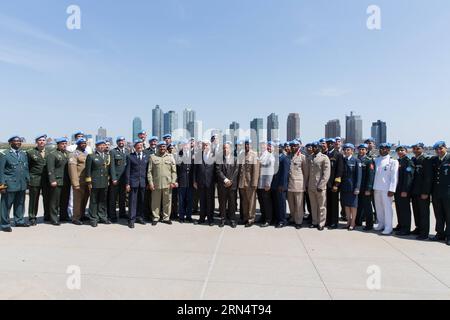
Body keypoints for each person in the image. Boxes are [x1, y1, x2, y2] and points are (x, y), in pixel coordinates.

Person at [0, 136, 30, 232]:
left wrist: (28, 181)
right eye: (15, 141)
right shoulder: (4, 154)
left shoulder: (23, 154)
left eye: (19, 141)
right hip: (9, 185)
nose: (17, 142)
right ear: (10, 143)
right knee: (6, 205)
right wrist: (2, 185)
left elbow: (26, 169)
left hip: (21, 184)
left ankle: (19, 221)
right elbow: (1, 171)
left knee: (20, 204)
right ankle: (5, 224)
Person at [148, 142, 178, 226]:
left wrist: (173, 182)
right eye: (160, 146)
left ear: (166, 147)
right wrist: (150, 183)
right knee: (155, 202)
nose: (162, 148)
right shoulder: (153, 157)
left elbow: (174, 171)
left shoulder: (170, 157)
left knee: (167, 202)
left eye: (164, 146)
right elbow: (149, 172)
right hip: (156, 184)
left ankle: (166, 218)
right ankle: (155, 217)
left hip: (168, 184)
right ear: (158, 147)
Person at [373, 143, 399, 235]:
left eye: (385, 148)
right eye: (381, 148)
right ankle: (381, 224)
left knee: (387, 208)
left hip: (387, 189)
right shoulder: (376, 160)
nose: (383, 150)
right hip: (376, 187)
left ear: (388, 150)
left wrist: (392, 189)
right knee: (378, 207)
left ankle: (388, 227)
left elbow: (394, 177)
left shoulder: (393, 161)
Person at [85, 140, 111, 228]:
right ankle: (93, 218)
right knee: (94, 201)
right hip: (95, 182)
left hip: (104, 181)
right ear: (96, 146)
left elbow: (107, 170)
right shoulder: (91, 156)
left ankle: (102, 217)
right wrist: (89, 182)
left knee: (102, 200)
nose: (102, 147)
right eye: (100, 145)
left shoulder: (107, 156)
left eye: (104, 145)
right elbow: (88, 171)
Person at [306, 142, 331, 231]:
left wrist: (322, 185)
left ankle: (321, 223)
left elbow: (326, 173)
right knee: (313, 205)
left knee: (321, 206)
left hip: (320, 186)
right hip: (311, 186)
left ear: (319, 148)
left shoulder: (324, 158)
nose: (314, 148)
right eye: (313, 147)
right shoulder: (310, 157)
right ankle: (314, 221)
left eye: (315, 147)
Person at [411, 143, 433, 240]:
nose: (416, 150)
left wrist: (426, 192)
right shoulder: (413, 160)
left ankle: (424, 233)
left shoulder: (426, 160)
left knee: (424, 213)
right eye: (414, 149)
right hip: (414, 190)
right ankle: (418, 228)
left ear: (422, 149)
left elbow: (428, 177)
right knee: (416, 211)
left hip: (422, 192)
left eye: (418, 148)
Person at [27, 134, 50, 225]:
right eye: (40, 140)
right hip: (35, 178)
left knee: (47, 198)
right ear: (36, 142)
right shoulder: (30, 152)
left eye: (43, 140)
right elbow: (27, 167)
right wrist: (28, 179)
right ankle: (32, 217)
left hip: (47, 179)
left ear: (46, 142)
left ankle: (47, 215)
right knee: (34, 199)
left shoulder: (50, 152)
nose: (42, 142)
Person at [47, 138, 71, 226]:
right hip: (57, 180)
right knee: (55, 201)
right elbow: (50, 169)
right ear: (58, 144)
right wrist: (52, 180)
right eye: (62, 143)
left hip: (67, 181)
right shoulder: (53, 154)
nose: (64, 145)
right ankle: (53, 218)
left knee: (65, 200)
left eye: (65, 143)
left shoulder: (68, 154)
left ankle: (64, 216)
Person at [125, 140, 149, 228]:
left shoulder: (146, 156)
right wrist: (127, 184)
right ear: (134, 147)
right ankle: (131, 219)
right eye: (138, 145)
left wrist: (148, 182)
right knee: (132, 201)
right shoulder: (130, 156)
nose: (139, 146)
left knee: (142, 201)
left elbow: (147, 171)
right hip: (133, 182)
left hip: (143, 182)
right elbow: (127, 171)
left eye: (141, 145)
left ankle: (140, 217)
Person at [215, 142, 239, 228]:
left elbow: (236, 171)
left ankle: (232, 220)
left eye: (227, 148)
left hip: (232, 185)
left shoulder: (235, 159)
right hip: (222, 185)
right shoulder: (219, 159)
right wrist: (225, 180)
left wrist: (230, 181)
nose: (225, 149)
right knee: (222, 203)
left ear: (230, 149)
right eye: (224, 148)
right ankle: (222, 219)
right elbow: (218, 170)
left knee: (232, 203)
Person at [430, 141, 450, 246]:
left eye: (440, 148)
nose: (438, 151)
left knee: (449, 214)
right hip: (437, 192)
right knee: (438, 214)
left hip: (448, 192)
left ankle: (449, 235)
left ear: (445, 148)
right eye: (436, 149)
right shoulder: (434, 160)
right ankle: (440, 233)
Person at [322, 138, 344, 229]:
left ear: (334, 144)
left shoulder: (338, 155)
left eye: (331, 143)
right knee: (326, 204)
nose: (330, 144)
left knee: (334, 204)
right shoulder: (324, 154)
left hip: (333, 184)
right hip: (325, 183)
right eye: (328, 143)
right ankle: (328, 220)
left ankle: (334, 222)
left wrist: (336, 184)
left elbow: (340, 170)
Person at [238, 139, 260, 227]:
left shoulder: (254, 155)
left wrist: (254, 183)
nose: (246, 146)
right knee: (244, 202)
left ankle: (251, 219)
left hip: (250, 182)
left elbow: (256, 170)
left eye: (248, 144)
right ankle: (245, 218)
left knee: (251, 202)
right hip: (242, 182)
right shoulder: (242, 155)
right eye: (245, 144)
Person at [193, 141, 216, 226]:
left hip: (210, 182)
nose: (205, 146)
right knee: (202, 201)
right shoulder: (198, 155)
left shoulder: (214, 155)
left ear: (209, 146)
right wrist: (194, 181)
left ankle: (210, 219)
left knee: (210, 202)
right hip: (200, 182)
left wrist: (216, 181)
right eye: (203, 145)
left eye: (206, 145)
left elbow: (216, 169)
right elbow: (195, 170)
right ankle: (201, 218)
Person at [68, 138, 90, 225]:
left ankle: (82, 214)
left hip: (86, 181)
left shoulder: (86, 153)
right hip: (79, 181)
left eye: (85, 143)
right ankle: (75, 218)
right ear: (78, 144)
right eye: (82, 143)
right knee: (77, 200)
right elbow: (72, 169)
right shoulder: (74, 154)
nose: (84, 144)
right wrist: (75, 183)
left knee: (84, 199)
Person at [288, 140, 309, 229]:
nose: (293, 147)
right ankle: (293, 218)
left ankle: (299, 221)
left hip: (299, 184)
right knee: (291, 205)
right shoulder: (288, 156)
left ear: (298, 147)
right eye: (292, 146)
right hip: (289, 184)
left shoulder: (302, 157)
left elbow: (306, 172)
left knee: (299, 205)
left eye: (295, 146)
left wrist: (305, 184)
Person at [340, 144, 362, 231]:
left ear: (352, 151)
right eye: (345, 150)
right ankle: (348, 222)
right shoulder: (343, 160)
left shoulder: (356, 160)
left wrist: (357, 187)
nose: (346, 151)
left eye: (348, 150)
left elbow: (359, 176)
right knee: (346, 206)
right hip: (344, 187)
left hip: (353, 187)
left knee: (353, 206)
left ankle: (353, 222)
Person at [394, 145, 414, 236]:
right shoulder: (398, 161)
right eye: (398, 151)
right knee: (399, 208)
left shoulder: (408, 162)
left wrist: (405, 190)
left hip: (403, 190)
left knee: (405, 210)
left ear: (406, 151)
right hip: (397, 189)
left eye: (402, 150)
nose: (400, 152)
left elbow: (408, 177)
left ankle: (406, 229)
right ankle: (400, 225)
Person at [108, 137, 129, 222]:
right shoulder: (113, 152)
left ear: (124, 142)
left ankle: (122, 213)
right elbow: (112, 166)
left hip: (124, 178)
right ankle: (112, 215)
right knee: (113, 197)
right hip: (116, 178)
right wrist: (113, 178)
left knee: (123, 197)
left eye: (122, 141)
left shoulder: (127, 151)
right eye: (119, 141)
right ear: (117, 142)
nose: (121, 142)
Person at [356, 144, 375, 231]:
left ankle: (369, 224)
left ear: (366, 150)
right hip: (358, 187)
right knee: (358, 205)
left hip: (365, 188)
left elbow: (371, 176)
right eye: (360, 149)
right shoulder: (357, 159)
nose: (361, 151)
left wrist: (369, 189)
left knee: (367, 206)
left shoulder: (369, 160)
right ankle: (358, 221)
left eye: (363, 149)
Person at [257, 141, 276, 227]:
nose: (262, 147)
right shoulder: (260, 155)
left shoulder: (270, 156)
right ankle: (263, 216)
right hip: (259, 183)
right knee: (261, 202)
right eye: (261, 146)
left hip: (265, 184)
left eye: (264, 146)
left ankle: (268, 219)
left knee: (267, 203)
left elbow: (270, 171)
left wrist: (268, 183)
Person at [272, 143, 291, 228]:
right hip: (275, 184)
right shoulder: (276, 158)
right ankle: (278, 218)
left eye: (279, 147)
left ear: (282, 148)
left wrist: (282, 185)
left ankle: (282, 220)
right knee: (276, 203)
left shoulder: (284, 158)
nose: (277, 148)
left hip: (281, 186)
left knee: (281, 204)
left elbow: (285, 173)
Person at [176, 140, 194, 223]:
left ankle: (189, 216)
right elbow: (175, 169)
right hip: (181, 181)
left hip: (190, 181)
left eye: (187, 145)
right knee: (181, 200)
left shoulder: (193, 155)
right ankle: (181, 217)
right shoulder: (178, 155)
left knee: (190, 200)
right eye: (184, 145)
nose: (186, 147)